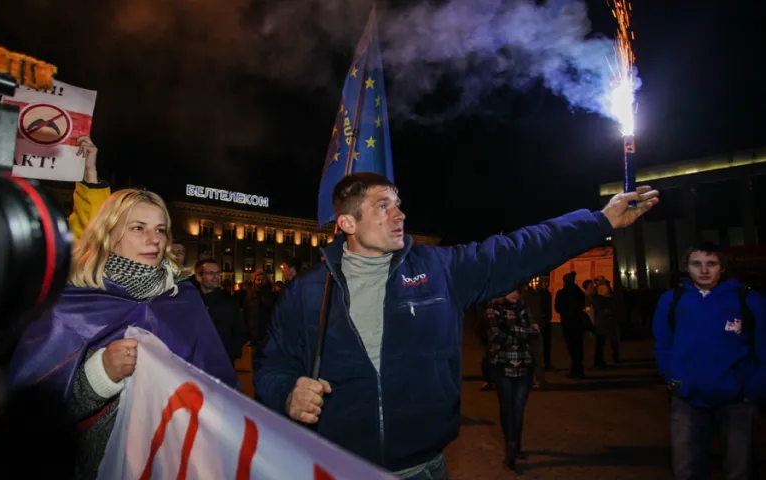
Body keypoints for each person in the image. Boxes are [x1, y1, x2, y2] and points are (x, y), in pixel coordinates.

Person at [254, 172, 658, 478]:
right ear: (347, 224)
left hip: (423, 468)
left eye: (398, 203)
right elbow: (271, 365)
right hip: (336, 467)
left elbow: (519, 249)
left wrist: (598, 222)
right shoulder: (308, 291)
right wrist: (287, 392)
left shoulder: (438, 269)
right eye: (383, 206)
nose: (400, 214)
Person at [6, 189, 238, 480]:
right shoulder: (73, 300)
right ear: (109, 233)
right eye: (138, 228)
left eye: (160, 230)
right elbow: (32, 414)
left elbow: (217, 387)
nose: (154, 240)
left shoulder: (183, 298)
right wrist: (99, 376)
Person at [654, 242, 765, 480]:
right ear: (687, 267)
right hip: (688, 400)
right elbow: (663, 343)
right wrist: (673, 377)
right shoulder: (671, 301)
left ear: (721, 267)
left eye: (711, 264)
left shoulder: (749, 300)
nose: (704, 270)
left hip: (737, 402)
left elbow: (763, 347)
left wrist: (751, 387)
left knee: (740, 471)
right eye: (697, 264)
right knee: (687, 470)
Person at [486, 290, 539, 471]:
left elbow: (535, 330)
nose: (515, 293)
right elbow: (495, 335)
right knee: (507, 407)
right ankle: (511, 448)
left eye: (517, 290)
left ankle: (515, 446)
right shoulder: (493, 309)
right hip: (502, 365)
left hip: (524, 364)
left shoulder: (523, 308)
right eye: (511, 290)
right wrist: (522, 334)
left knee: (519, 408)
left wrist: (512, 330)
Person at [194, 259, 248, 365]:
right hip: (194, 362)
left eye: (218, 273)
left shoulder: (229, 301)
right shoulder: (191, 300)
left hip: (222, 362)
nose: (216, 277)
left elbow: (240, 330)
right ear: (199, 277)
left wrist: (230, 353)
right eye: (210, 273)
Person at [556, 272, 587, 378]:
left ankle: (575, 368)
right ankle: (578, 368)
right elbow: (583, 304)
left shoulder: (561, 293)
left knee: (571, 345)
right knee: (578, 344)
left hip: (567, 322)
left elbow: (557, 308)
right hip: (578, 321)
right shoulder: (579, 292)